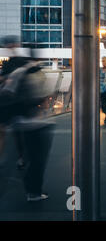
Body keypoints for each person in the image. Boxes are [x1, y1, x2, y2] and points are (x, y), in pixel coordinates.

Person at [0, 51, 54, 202]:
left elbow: (6, 92)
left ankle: (30, 187)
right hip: (37, 123)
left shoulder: (18, 73)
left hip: (20, 123)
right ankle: (33, 192)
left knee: (28, 156)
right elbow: (44, 100)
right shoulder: (38, 73)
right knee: (38, 159)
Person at [0, 36, 28, 169]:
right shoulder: (21, 61)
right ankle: (22, 158)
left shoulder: (10, 63)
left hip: (9, 101)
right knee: (17, 133)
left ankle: (19, 157)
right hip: (17, 101)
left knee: (4, 131)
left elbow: (4, 80)